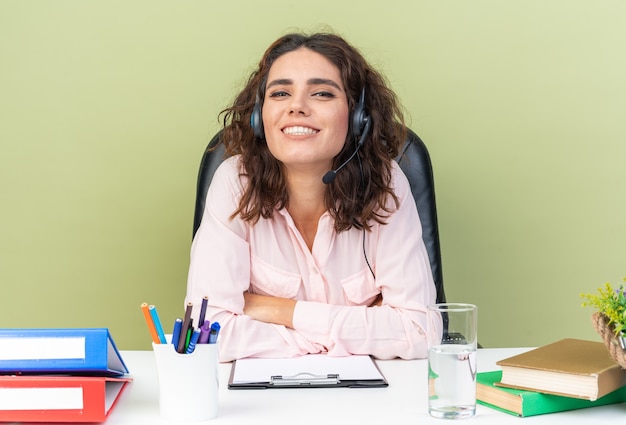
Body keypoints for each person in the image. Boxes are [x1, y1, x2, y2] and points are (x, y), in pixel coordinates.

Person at [185, 32, 437, 362]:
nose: (297, 107)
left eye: (321, 93)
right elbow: (206, 333)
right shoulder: (235, 183)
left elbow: (420, 331)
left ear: (358, 117)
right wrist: (350, 329)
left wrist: (277, 310)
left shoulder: (385, 183)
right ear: (261, 116)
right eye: (280, 93)